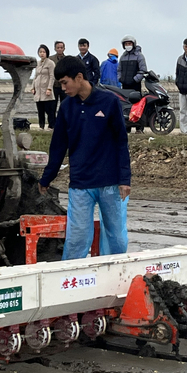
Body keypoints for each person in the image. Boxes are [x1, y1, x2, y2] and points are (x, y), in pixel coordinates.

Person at [38, 56, 131, 260]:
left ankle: (115, 277)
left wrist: (125, 179)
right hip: (80, 184)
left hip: (110, 183)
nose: (63, 88)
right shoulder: (67, 108)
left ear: (79, 77)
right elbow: (58, 146)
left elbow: (121, 142)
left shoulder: (109, 102)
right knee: (77, 238)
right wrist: (47, 177)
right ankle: (70, 281)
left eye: (65, 82)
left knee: (115, 237)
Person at [31, 44, 56, 130]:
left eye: (43, 52)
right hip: (38, 90)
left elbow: (52, 76)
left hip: (46, 89)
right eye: (40, 52)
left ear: (47, 53)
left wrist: (49, 88)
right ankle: (41, 126)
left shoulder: (50, 63)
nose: (42, 54)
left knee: (49, 110)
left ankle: (51, 126)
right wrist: (32, 87)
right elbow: (35, 76)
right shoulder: (37, 63)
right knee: (40, 110)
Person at [49, 41, 67, 105]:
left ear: (64, 48)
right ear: (55, 49)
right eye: (58, 47)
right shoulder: (50, 59)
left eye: (61, 47)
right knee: (52, 105)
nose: (59, 49)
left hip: (64, 85)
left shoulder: (67, 59)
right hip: (54, 85)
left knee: (64, 104)